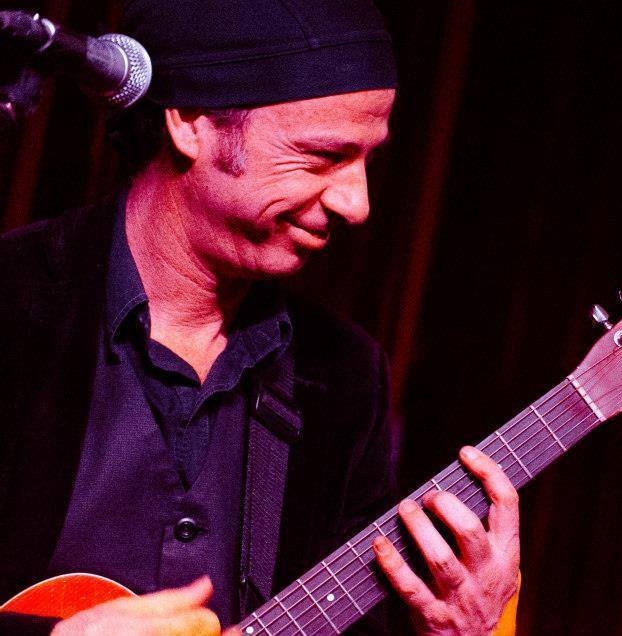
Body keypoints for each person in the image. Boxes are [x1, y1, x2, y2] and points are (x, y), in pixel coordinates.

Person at [0, 1, 520, 634]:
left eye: (368, 161)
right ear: (191, 123)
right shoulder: (15, 304)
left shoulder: (343, 379)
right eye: (323, 156)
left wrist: (456, 631)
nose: (357, 204)